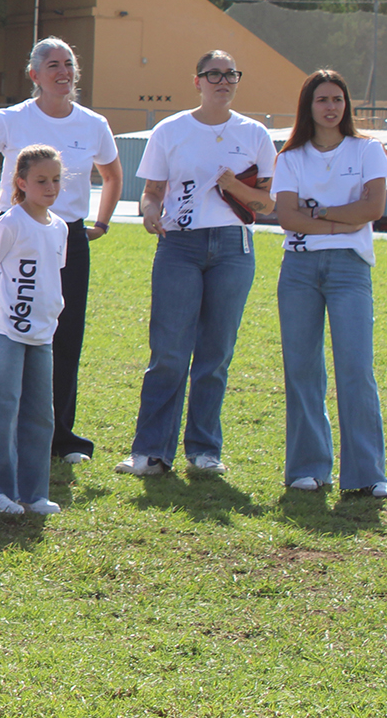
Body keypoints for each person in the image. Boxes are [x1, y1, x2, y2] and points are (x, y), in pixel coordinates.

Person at [0, 37, 122, 463]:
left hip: (68, 239)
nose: (62, 72)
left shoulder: (93, 124)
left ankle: (59, 437)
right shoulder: (10, 119)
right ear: (34, 75)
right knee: (8, 334)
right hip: (17, 239)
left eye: (68, 64)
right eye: (52, 65)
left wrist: (99, 223)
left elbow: (114, 175)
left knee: (63, 336)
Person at [117, 50, 277, 478]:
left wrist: (233, 189)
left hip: (232, 248)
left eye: (231, 74)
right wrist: (149, 211)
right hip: (180, 246)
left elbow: (267, 201)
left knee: (215, 354)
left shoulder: (256, 134)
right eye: (214, 74)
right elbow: (151, 191)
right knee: (169, 352)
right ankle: (150, 451)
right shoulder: (170, 130)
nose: (223, 81)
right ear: (197, 81)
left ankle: (204, 450)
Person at [272, 70, 387, 499]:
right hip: (299, 271)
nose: (331, 107)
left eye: (338, 99)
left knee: (356, 369)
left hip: (350, 269)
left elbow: (372, 208)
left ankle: (368, 474)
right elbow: (288, 218)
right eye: (322, 100)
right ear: (308, 107)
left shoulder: (368, 150)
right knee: (303, 369)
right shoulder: (290, 158)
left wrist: (319, 216)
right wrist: (339, 219)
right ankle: (308, 468)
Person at [0, 147, 69, 517]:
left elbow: (51, 275)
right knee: (1, 406)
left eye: (56, 180)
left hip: (42, 335)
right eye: (41, 180)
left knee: (39, 414)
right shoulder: (9, 223)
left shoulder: (60, 227)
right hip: (6, 331)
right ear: (21, 183)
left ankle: (33, 493)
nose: (50, 187)